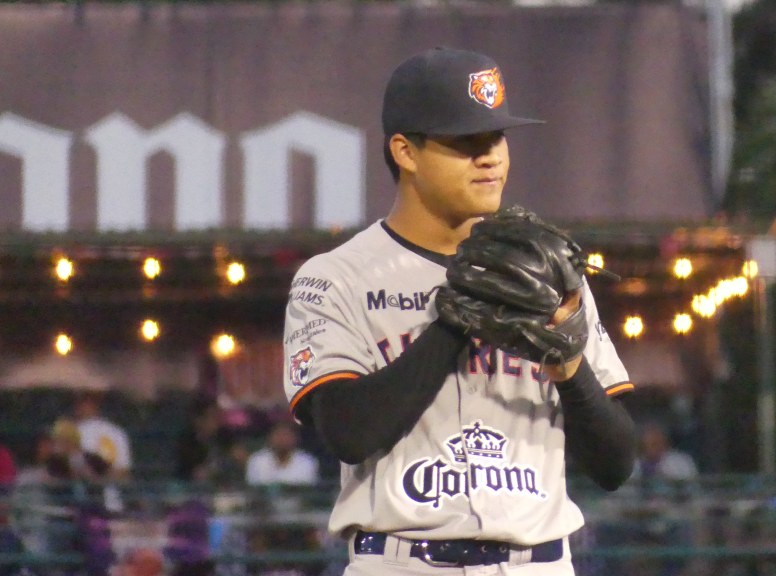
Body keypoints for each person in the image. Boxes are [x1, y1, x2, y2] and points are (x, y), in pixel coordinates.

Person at [281, 47, 637, 575]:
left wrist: (568, 365)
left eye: (497, 138)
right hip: (404, 562)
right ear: (405, 151)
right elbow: (348, 434)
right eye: (466, 142)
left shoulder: (547, 271)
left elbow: (615, 465)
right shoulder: (336, 277)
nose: (490, 157)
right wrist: (455, 322)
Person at [72, 392, 132, 480]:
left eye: (89, 403)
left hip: (107, 484)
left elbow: (124, 473)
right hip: (79, 484)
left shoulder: (117, 432)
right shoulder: (118, 431)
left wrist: (99, 477)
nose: (82, 407)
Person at [244, 421, 319, 486]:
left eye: (286, 435)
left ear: (295, 438)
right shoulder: (256, 460)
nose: (282, 439)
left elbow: (307, 490)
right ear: (270, 438)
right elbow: (252, 489)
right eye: (278, 435)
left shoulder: (307, 462)